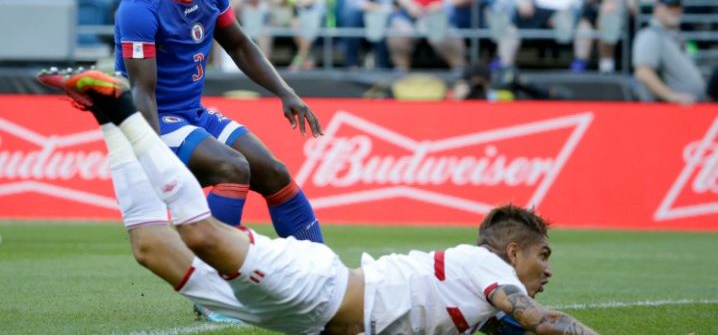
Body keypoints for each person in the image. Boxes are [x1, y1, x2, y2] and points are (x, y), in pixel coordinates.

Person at [39, 66, 604, 335]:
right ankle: (126, 111)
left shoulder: (477, 296)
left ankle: (106, 117)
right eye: (543, 255)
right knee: (202, 234)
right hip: (320, 288)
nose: (547, 268)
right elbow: (539, 322)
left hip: (296, 315)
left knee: (150, 249)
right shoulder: (486, 266)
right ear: (511, 252)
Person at [113, 0, 325, 248]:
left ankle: (323, 274)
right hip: (154, 121)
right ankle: (214, 289)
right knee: (233, 168)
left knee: (275, 173)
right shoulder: (140, 7)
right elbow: (142, 91)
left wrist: (285, 92)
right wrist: (152, 156)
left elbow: (240, 45)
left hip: (192, 115)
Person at [632, 0, 706, 104]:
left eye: (677, 6)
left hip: (687, 108)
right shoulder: (650, 35)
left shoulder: (676, 36)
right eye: (669, 6)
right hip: (669, 110)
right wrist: (671, 96)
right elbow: (643, 73)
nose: (675, 10)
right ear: (657, 8)